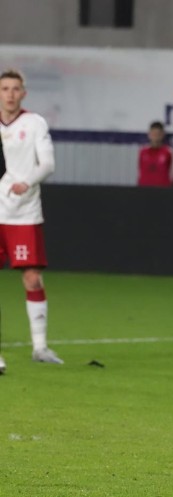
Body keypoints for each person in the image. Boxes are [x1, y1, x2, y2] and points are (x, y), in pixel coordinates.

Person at [0, 68, 64, 372]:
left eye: (15, 89)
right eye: (4, 89)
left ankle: (40, 347)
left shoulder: (34, 123)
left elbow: (48, 163)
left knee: (32, 278)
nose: (10, 94)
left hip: (24, 213)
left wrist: (27, 182)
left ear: (23, 93)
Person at [137, 121, 173, 187]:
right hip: (144, 189)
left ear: (162, 134)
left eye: (158, 134)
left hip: (163, 190)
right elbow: (139, 170)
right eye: (153, 133)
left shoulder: (169, 152)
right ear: (149, 134)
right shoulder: (143, 151)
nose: (155, 136)